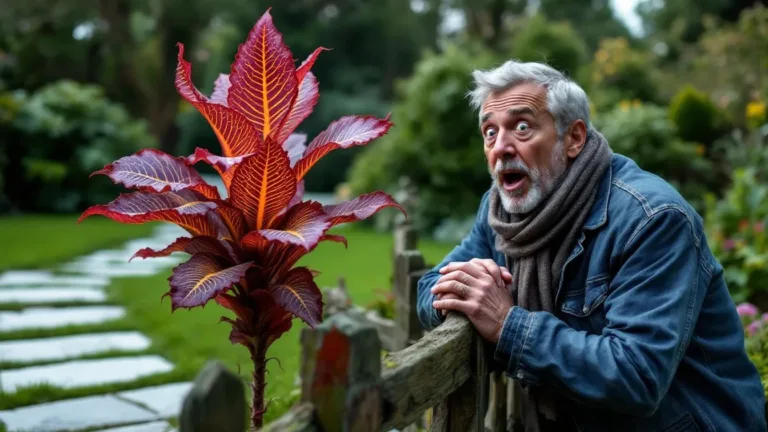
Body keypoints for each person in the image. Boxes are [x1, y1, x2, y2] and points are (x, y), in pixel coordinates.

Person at [415, 60, 766, 432]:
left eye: (522, 127)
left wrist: (506, 324)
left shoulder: (653, 219)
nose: (501, 147)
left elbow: (636, 375)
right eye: (489, 131)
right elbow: (428, 287)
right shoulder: (501, 214)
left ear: (574, 138)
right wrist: (468, 293)